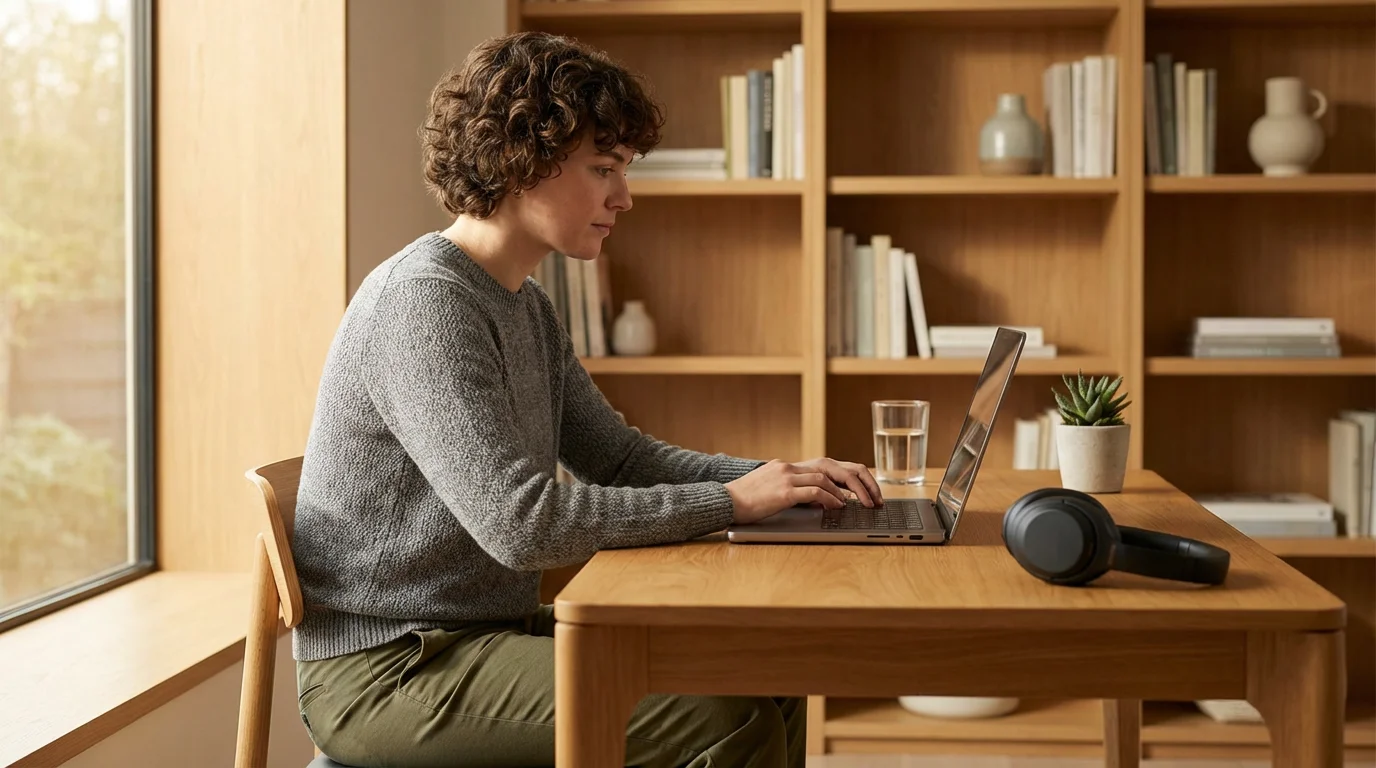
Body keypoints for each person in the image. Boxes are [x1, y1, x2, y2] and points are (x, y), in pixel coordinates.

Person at [290, 30, 883, 768]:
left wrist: (781, 480)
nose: (623, 198)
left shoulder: (524, 305)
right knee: (723, 720)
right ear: (522, 158)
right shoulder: (423, 304)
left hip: (478, 635)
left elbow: (620, 458)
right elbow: (522, 526)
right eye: (604, 169)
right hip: (390, 668)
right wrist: (732, 502)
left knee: (764, 672)